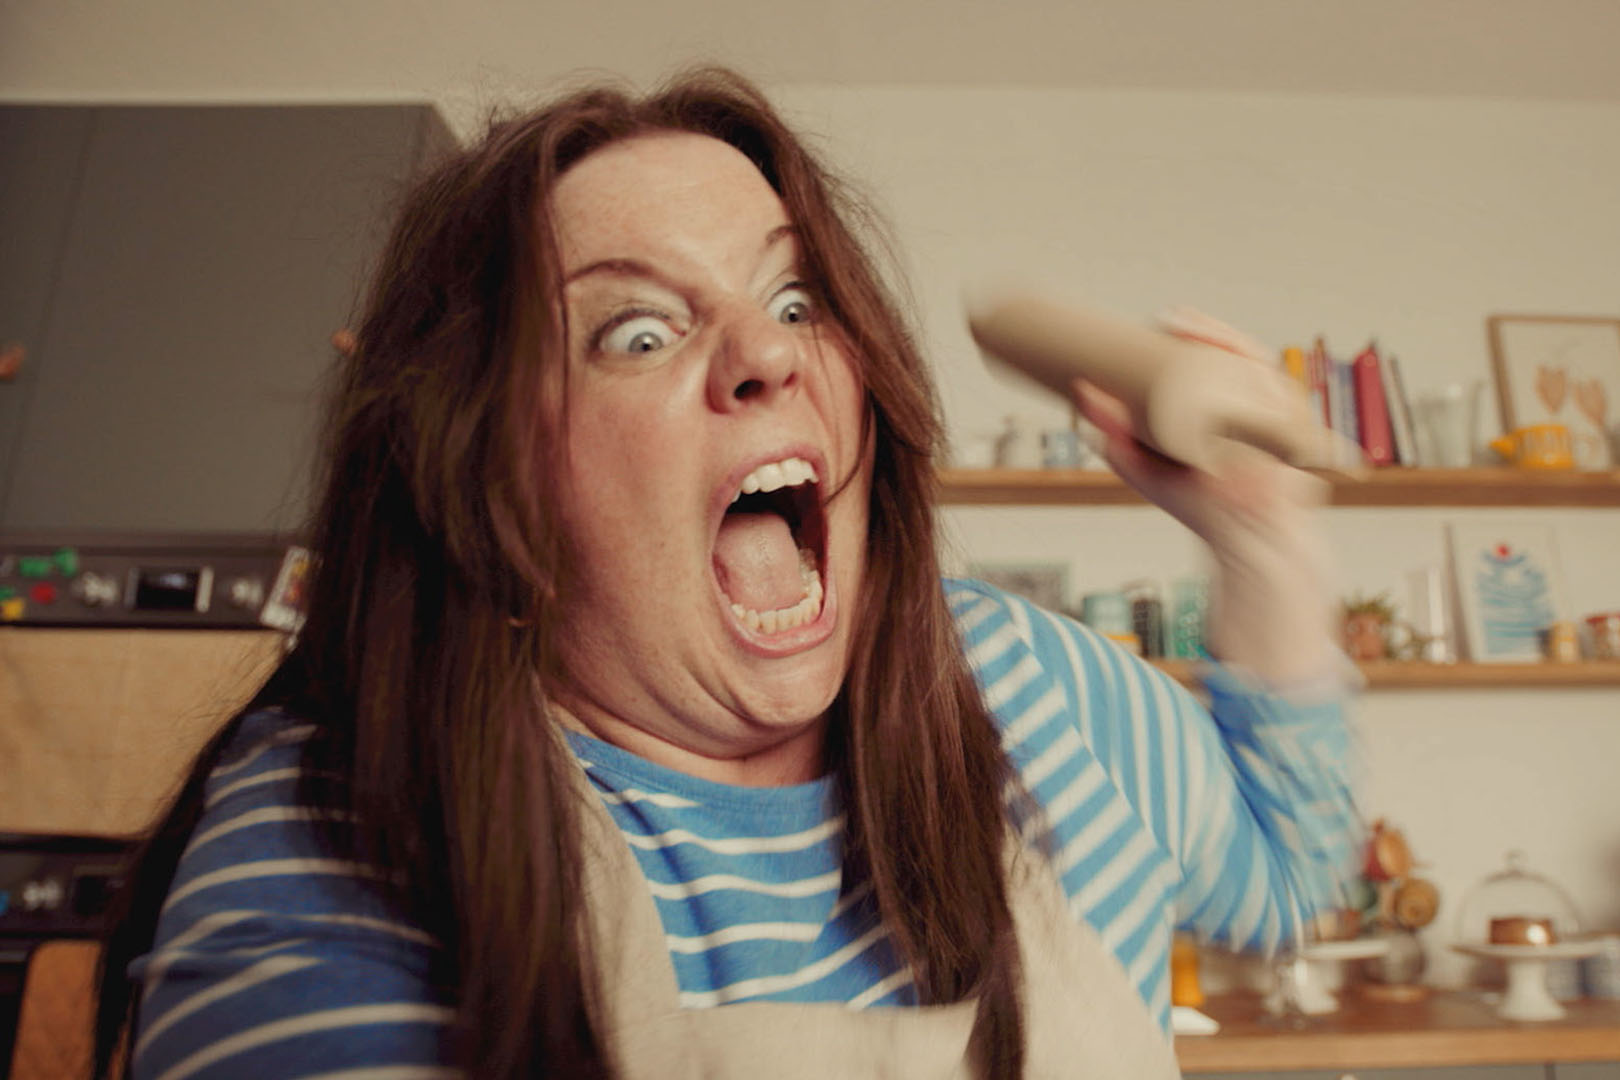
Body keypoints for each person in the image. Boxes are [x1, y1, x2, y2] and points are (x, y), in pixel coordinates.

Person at [94, 68, 1358, 1079]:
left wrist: (1261, 542)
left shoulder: (1033, 685)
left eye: (798, 300)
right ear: (489, 479)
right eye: (637, 330)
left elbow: (1291, 873)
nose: (764, 352)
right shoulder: (348, 822)